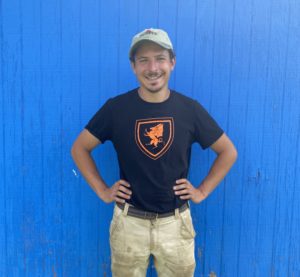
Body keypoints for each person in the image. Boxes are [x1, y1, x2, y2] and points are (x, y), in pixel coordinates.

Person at [71, 28, 237, 277]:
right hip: (129, 224)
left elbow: (227, 151)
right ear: (133, 66)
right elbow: (80, 148)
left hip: (175, 224)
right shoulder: (116, 109)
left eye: (160, 58)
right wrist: (103, 191)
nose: (152, 68)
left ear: (172, 62)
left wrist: (201, 191)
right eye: (143, 60)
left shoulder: (189, 110)